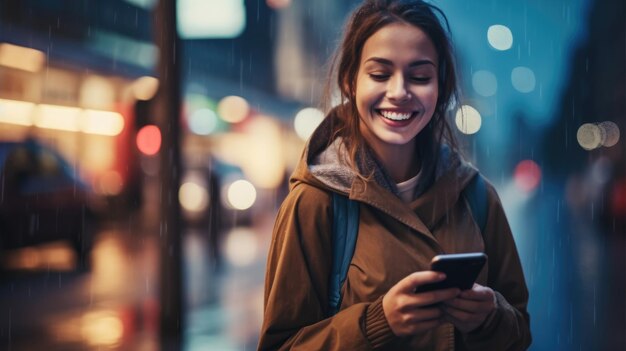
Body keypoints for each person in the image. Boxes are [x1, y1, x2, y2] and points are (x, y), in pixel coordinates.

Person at [258, 0, 531, 349]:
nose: (399, 92)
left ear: (440, 88)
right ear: (350, 81)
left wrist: (490, 316)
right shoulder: (316, 201)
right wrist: (376, 323)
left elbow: (520, 333)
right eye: (380, 74)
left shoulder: (476, 196)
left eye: (419, 76)